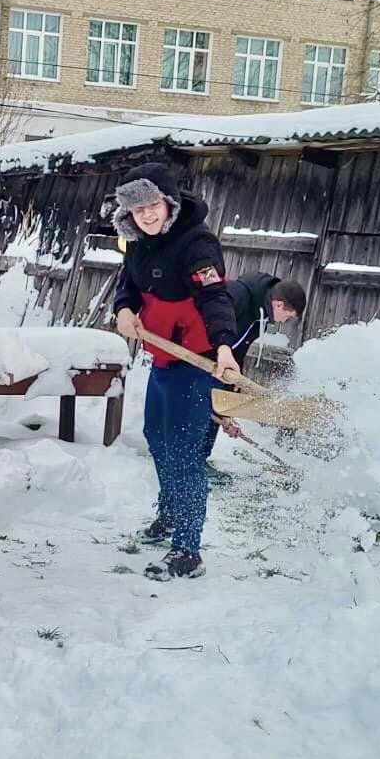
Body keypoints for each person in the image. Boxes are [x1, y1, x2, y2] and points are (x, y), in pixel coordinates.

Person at [110, 163, 300, 581]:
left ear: (169, 202)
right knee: (156, 440)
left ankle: (188, 550)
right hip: (161, 361)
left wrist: (224, 348)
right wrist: (124, 309)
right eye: (137, 208)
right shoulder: (137, 244)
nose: (146, 214)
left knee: (184, 452)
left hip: (194, 362)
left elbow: (216, 298)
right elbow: (127, 284)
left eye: (153, 205)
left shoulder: (197, 244)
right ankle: (170, 515)